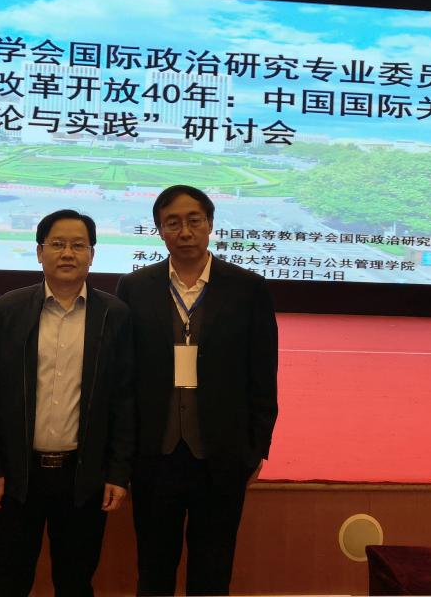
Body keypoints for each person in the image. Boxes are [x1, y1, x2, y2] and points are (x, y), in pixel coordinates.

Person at [117, 185, 278, 596]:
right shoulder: (135, 288)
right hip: (155, 456)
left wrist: (256, 448)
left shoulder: (248, 288)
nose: (184, 231)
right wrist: (125, 452)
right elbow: (124, 377)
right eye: (172, 223)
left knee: (213, 569)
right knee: (153, 569)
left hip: (221, 456)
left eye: (194, 220)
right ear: (159, 230)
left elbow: (262, 374)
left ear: (209, 225)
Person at [0, 209, 135, 597]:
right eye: (57, 244)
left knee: (75, 582)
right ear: (39, 252)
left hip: (82, 477)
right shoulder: (10, 308)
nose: (68, 253)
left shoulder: (114, 314)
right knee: (8, 582)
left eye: (78, 245)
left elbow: (124, 401)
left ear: (92, 254)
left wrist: (117, 472)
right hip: (17, 475)